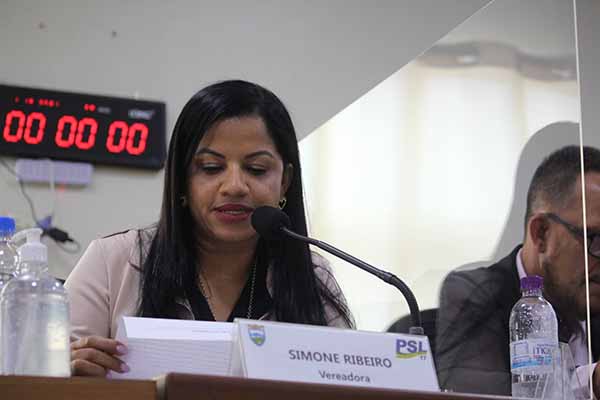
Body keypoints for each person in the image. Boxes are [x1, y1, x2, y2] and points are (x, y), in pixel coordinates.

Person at [65, 80, 354, 377]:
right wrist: (61, 371)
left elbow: (350, 386)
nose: (234, 186)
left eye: (256, 169)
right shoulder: (111, 262)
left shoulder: (313, 277)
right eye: (211, 168)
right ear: (182, 181)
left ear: (284, 182)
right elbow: (45, 375)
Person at [436, 145, 600, 396]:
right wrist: (591, 382)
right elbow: (469, 391)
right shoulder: (475, 293)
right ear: (541, 233)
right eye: (596, 238)